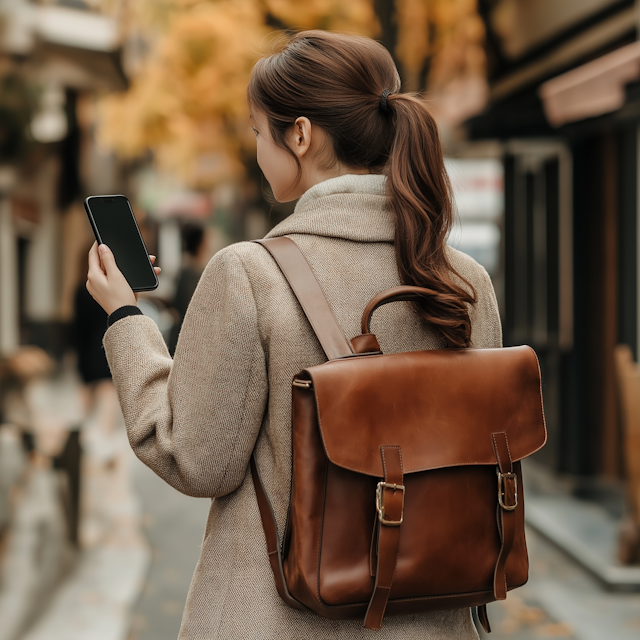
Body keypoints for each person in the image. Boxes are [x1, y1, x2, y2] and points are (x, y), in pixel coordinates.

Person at [86, 30, 502, 640]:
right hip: (432, 617)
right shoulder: (462, 280)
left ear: (300, 135)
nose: (256, 150)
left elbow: (196, 460)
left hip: (279, 618)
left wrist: (125, 318)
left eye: (258, 132)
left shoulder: (248, 273)